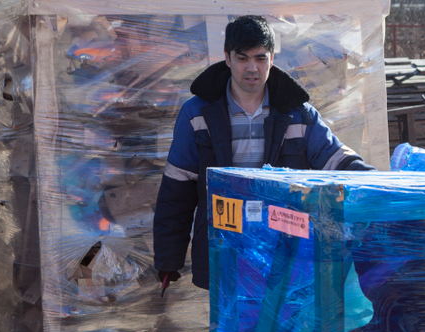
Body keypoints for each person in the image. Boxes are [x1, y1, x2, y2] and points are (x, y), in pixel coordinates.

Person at [153, 15, 373, 291]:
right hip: (224, 244)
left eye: (260, 58)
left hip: (283, 244)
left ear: (272, 59)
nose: (252, 68)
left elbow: (336, 160)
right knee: (229, 316)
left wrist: (383, 184)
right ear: (227, 58)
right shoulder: (197, 114)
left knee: (280, 316)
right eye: (242, 58)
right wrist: (168, 258)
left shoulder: (298, 114)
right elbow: (177, 190)